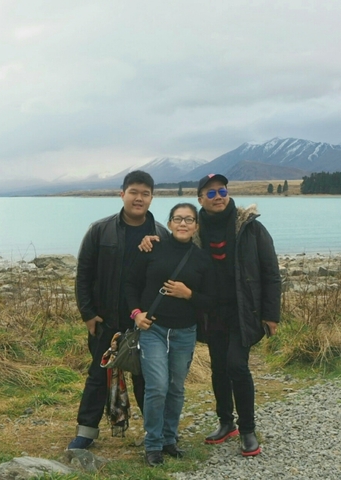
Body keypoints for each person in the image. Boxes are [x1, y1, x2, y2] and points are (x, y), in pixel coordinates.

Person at [140, 173, 282, 457]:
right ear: (200, 199)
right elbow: (173, 244)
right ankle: (226, 422)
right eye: (211, 193)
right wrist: (150, 238)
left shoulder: (250, 228)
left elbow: (270, 272)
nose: (218, 197)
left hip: (244, 311)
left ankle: (248, 430)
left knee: (237, 366)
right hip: (210, 311)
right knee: (219, 367)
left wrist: (271, 314)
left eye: (222, 191)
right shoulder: (195, 228)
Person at [68, 170, 168, 450]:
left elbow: (169, 276)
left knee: (146, 379)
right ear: (122, 194)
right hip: (105, 319)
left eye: (145, 193)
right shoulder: (100, 230)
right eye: (134, 192)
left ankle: (155, 435)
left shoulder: (160, 234)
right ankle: (86, 432)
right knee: (98, 377)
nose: (139, 198)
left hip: (144, 322)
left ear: (151, 198)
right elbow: (84, 274)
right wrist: (88, 314)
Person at [126, 203, 216, 467]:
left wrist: (188, 294)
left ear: (196, 226)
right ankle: (152, 444)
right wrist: (136, 314)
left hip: (184, 332)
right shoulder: (151, 248)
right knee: (157, 386)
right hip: (152, 329)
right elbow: (130, 284)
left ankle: (169, 439)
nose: (183, 223)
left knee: (176, 388)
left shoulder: (201, 259)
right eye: (178, 218)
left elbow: (212, 300)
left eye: (189, 219)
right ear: (170, 223)